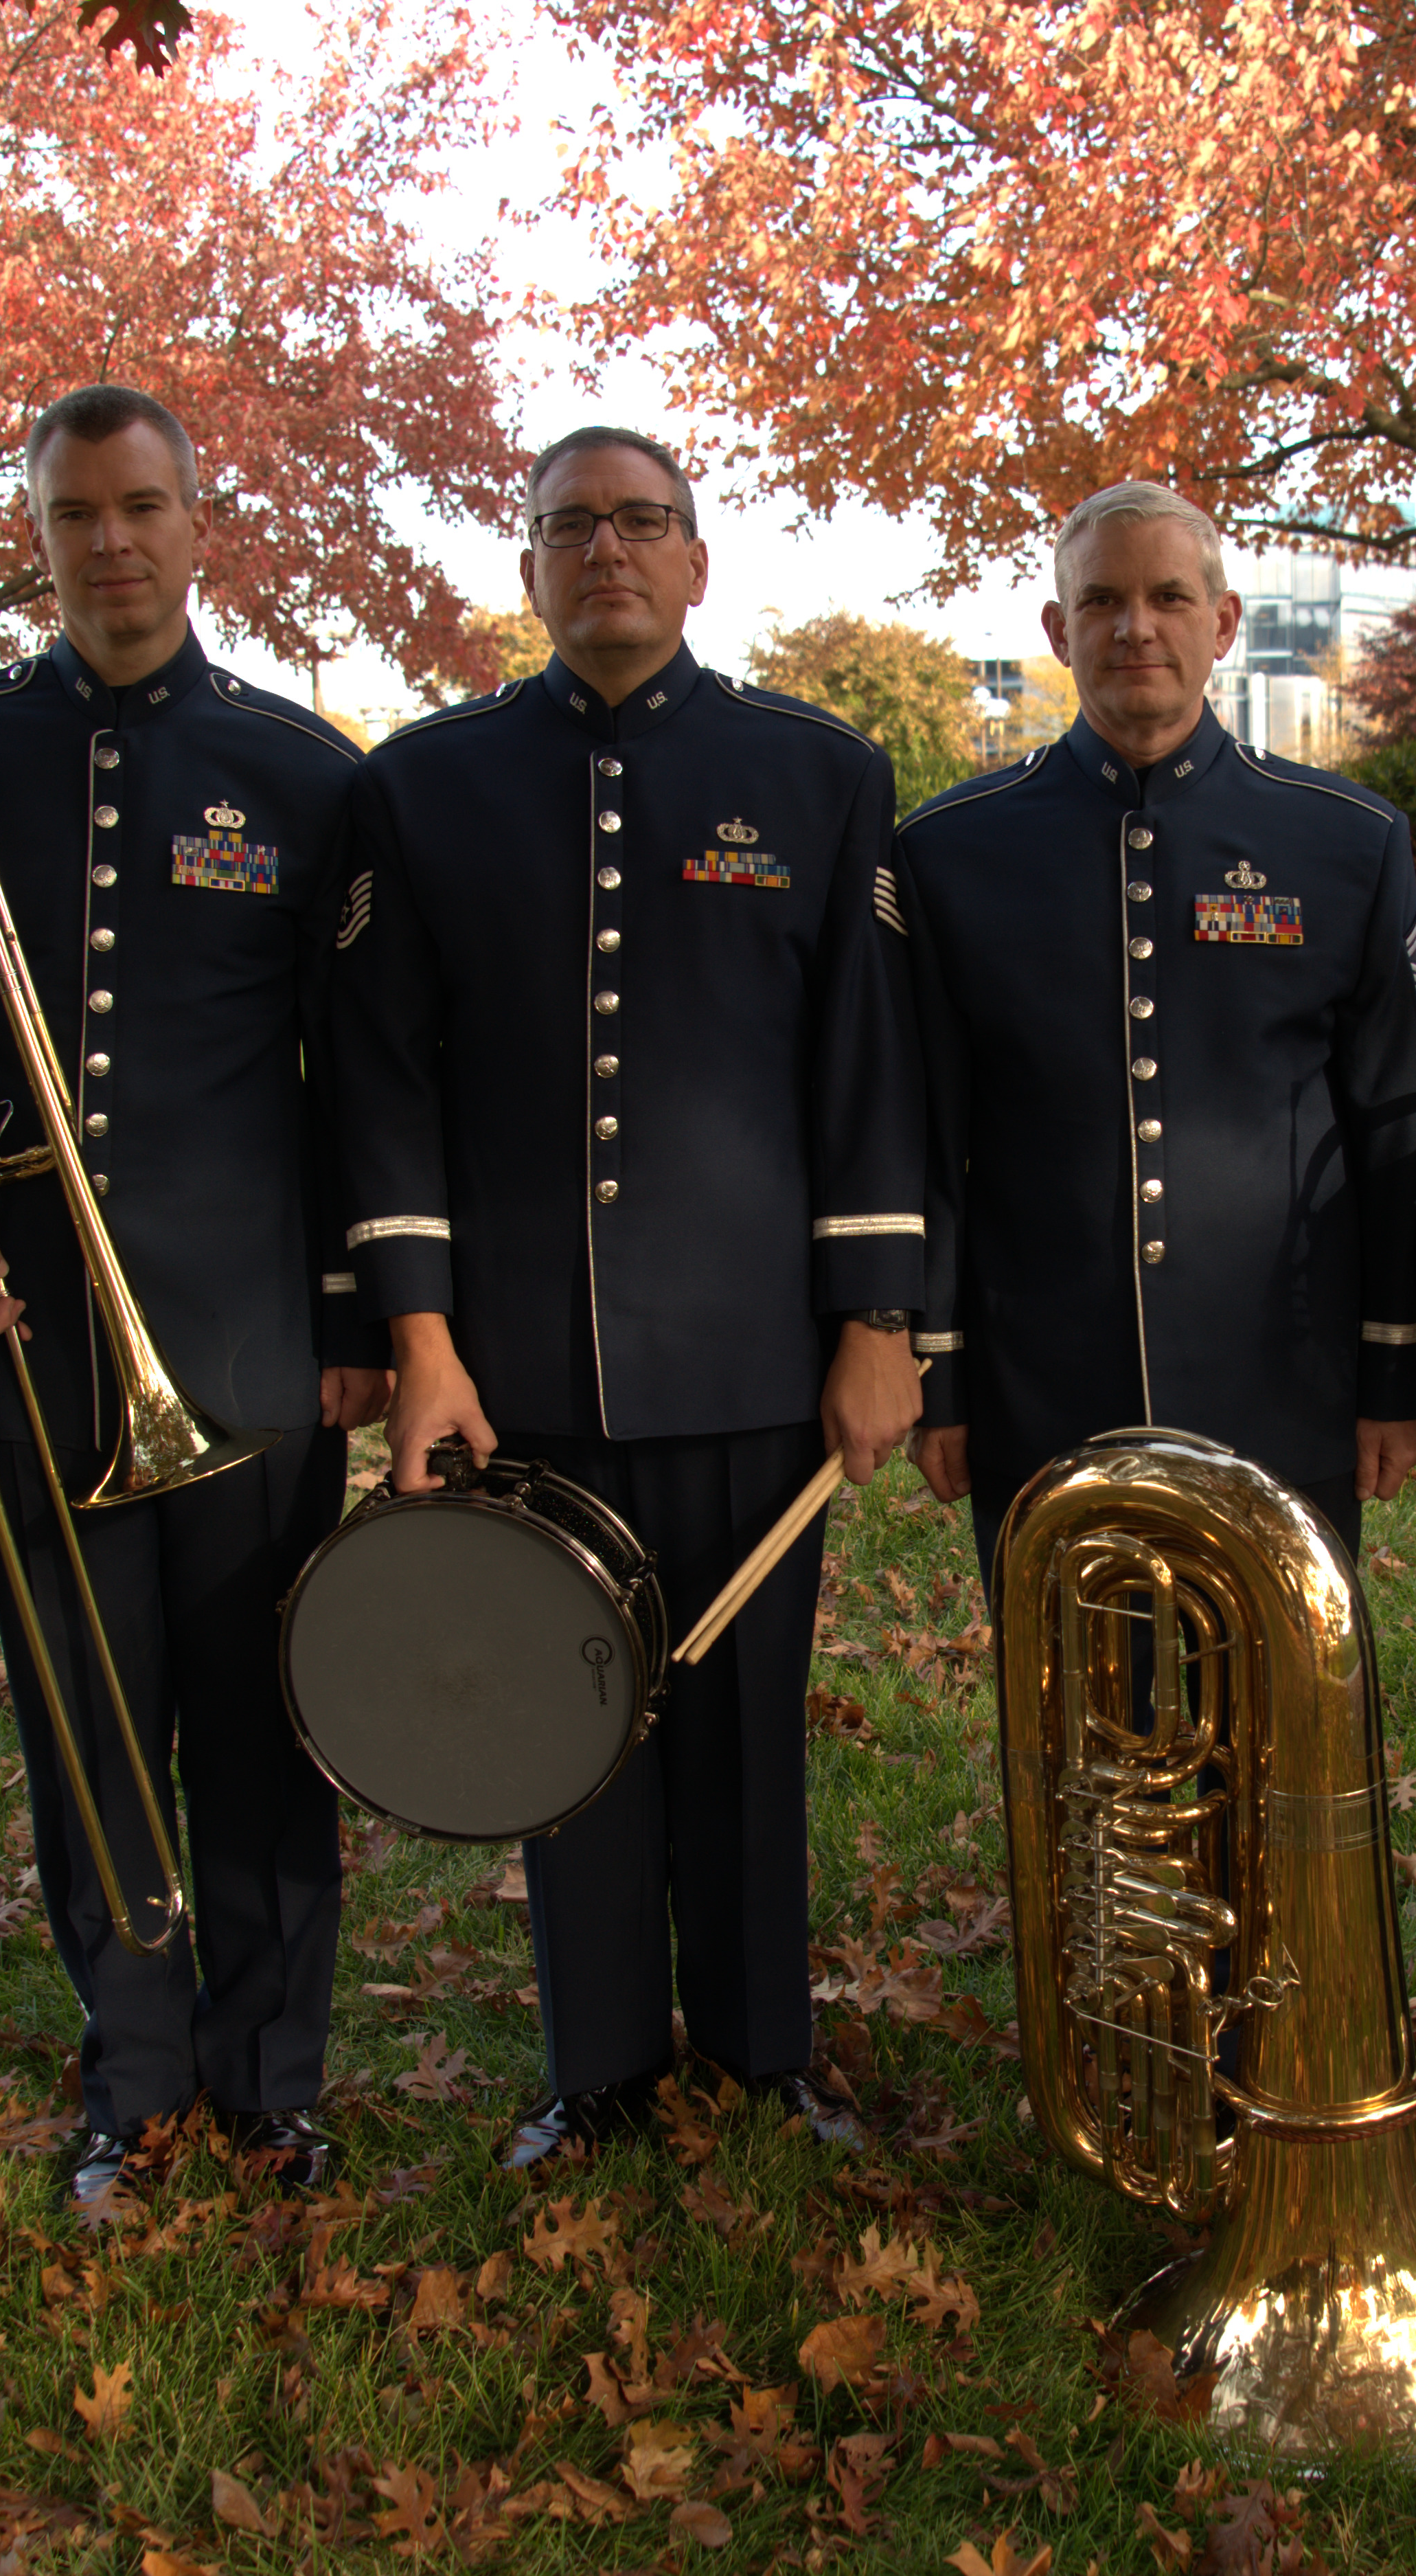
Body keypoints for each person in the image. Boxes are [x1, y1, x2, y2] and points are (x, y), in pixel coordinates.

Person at [335, 424, 924, 2168]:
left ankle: (761, 2051)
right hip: (521, 1367)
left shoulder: (818, 775)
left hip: (755, 1360)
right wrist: (422, 1344)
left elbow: (866, 1070)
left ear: (698, 561)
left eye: (642, 523)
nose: (607, 551)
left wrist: (881, 1321)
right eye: (570, 526)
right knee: (564, 1711)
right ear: (525, 568)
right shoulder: (424, 786)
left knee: (748, 1724)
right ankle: (594, 2066)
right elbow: (380, 1080)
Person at [0, 384, 378, 2210]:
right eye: (78, 513)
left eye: (144, 505)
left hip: (239, 1348)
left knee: (263, 1731)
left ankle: (272, 2077)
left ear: (196, 518)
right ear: (41, 530)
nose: (114, 541)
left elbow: (351, 1078)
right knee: (87, 1728)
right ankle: (132, 2078)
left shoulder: (305, 772)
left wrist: (351, 1330)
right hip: (28, 1351)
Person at [895, 482, 1416, 1568]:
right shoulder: (952, 851)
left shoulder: (1348, 842)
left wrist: (1391, 1369)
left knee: (1281, 1719)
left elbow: (1391, 1125)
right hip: (1043, 1377)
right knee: (1071, 1720)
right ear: (1058, 630)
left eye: (1169, 598)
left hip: (1284, 1371)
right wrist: (941, 1374)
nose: (1136, 627)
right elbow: (928, 1142)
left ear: (1222, 623)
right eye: (1101, 601)